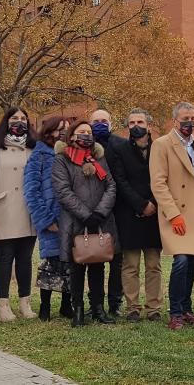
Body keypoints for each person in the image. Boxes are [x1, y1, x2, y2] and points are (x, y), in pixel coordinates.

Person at [150, 102, 194, 330]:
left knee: (192, 263)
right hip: (175, 213)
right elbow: (158, 183)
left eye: (193, 118)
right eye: (185, 118)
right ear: (174, 120)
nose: (189, 122)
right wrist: (173, 214)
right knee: (181, 261)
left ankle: (186, 310)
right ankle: (175, 313)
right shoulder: (162, 145)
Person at [53, 121, 119, 327]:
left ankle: (98, 308)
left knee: (98, 265)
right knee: (77, 267)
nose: (86, 135)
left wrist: (99, 213)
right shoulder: (62, 160)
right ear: (72, 136)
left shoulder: (99, 158)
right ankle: (78, 310)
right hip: (75, 221)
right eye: (81, 132)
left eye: (89, 132)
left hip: (100, 220)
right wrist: (85, 215)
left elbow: (111, 185)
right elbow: (63, 191)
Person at [0, 108, 38, 322]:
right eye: (14, 118)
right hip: (2, 210)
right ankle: (3, 305)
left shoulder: (33, 147)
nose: (19, 122)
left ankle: (25, 303)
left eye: (23, 119)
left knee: (25, 259)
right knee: (4, 258)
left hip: (28, 212)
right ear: (6, 121)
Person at [108, 109, 163, 323]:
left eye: (140, 121)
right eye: (131, 122)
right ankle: (132, 307)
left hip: (155, 212)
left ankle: (154, 308)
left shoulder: (159, 148)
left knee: (153, 264)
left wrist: (154, 203)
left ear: (149, 125)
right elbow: (120, 181)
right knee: (130, 265)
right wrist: (140, 205)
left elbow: (164, 177)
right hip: (129, 213)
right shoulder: (119, 149)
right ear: (127, 127)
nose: (136, 125)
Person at [24, 116, 73, 321]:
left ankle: (66, 305)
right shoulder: (40, 155)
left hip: (71, 217)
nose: (62, 133)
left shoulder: (71, 153)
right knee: (51, 262)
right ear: (48, 131)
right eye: (58, 129)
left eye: (66, 129)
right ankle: (45, 305)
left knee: (70, 262)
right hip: (50, 217)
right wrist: (45, 219)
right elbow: (31, 190)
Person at [89, 108, 125, 317]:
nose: (100, 124)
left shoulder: (120, 144)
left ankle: (115, 303)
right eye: (96, 121)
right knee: (95, 258)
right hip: (93, 210)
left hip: (117, 210)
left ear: (111, 123)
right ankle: (96, 304)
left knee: (117, 260)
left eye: (104, 120)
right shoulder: (84, 146)